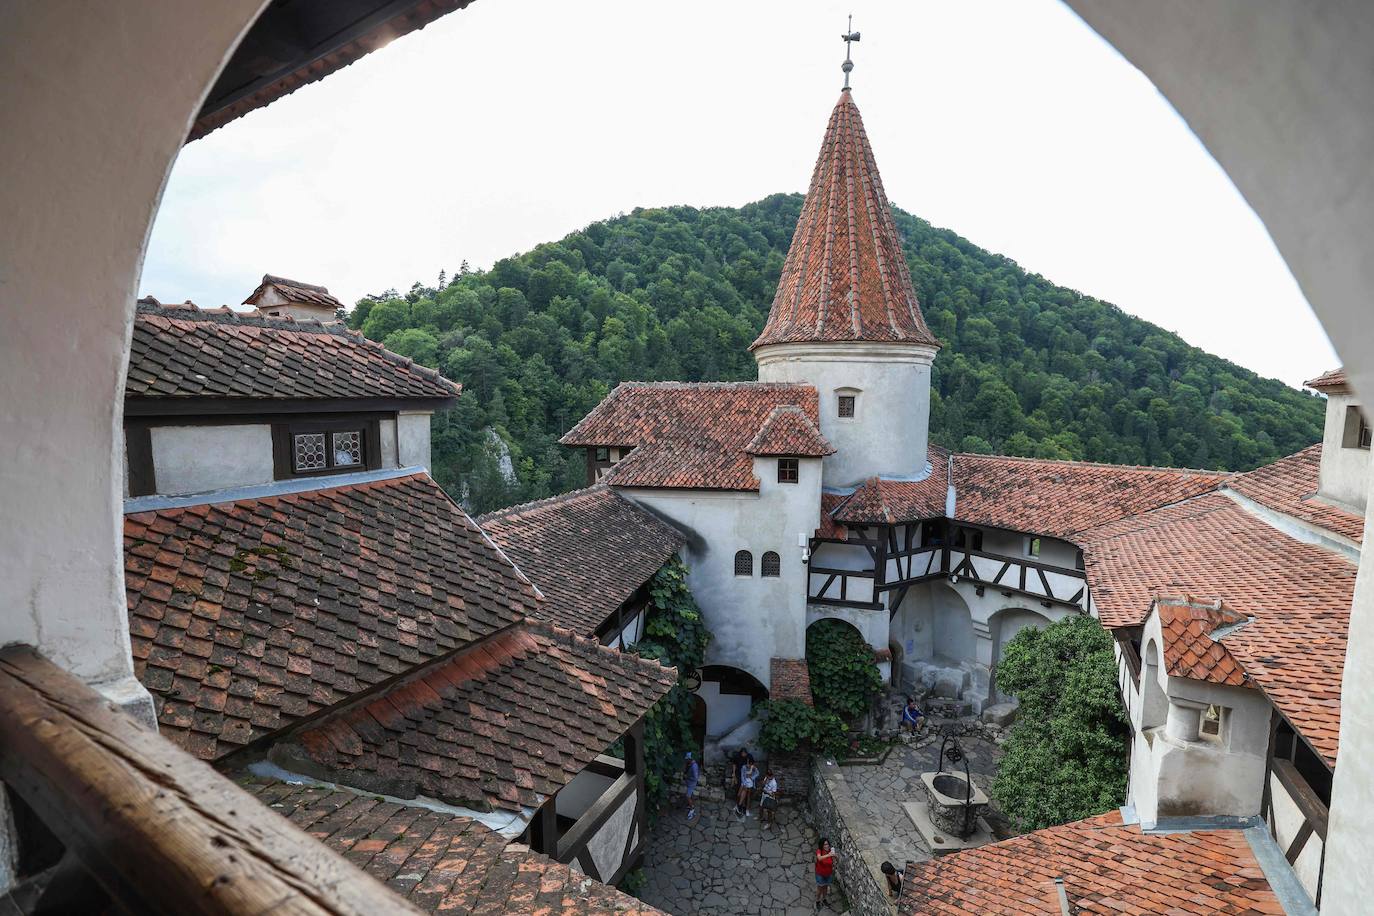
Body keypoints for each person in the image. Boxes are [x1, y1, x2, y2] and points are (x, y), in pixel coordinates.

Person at [814, 837, 836, 910]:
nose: (826, 846)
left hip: (828, 874)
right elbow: (819, 858)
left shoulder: (830, 851)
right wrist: (829, 855)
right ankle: (817, 901)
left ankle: (824, 899)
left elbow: (835, 862)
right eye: (824, 845)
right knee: (819, 889)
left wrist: (835, 856)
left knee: (825, 888)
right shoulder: (819, 851)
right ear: (822, 845)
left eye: (827, 844)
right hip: (820, 874)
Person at [736, 754, 759, 819]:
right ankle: (741, 806)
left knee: (748, 796)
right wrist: (744, 784)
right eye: (747, 762)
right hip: (744, 783)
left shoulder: (753, 767)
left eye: (749, 763)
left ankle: (746, 809)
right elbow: (742, 776)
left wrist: (752, 777)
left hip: (750, 783)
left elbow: (757, 773)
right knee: (742, 794)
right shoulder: (744, 767)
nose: (748, 764)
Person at [683, 751, 700, 821]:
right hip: (689, 782)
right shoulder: (690, 764)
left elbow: (695, 777)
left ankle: (692, 809)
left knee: (687, 796)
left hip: (691, 783)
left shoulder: (694, 767)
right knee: (690, 794)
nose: (686, 760)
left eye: (687, 759)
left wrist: (687, 777)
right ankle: (690, 804)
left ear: (690, 759)